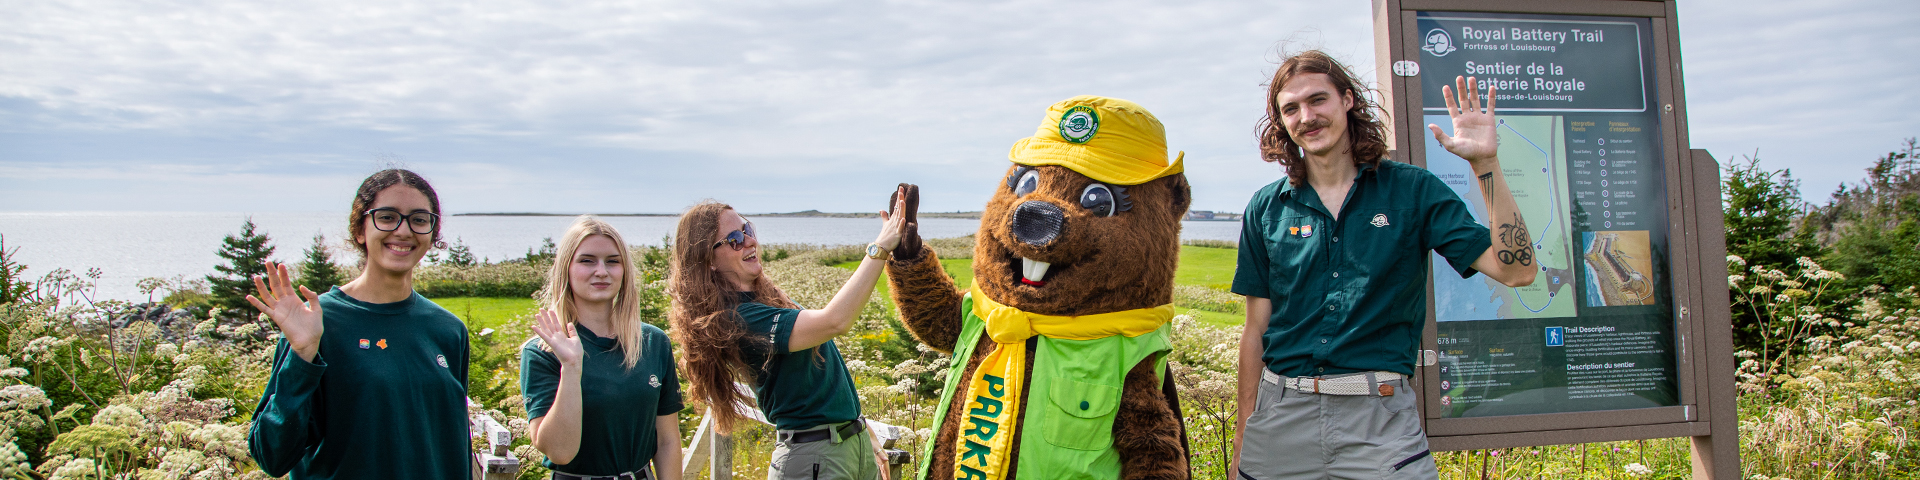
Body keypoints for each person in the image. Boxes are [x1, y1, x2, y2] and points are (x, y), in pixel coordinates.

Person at [1230, 50, 1538, 479]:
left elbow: (1517, 271)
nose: (1307, 116)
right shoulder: (1266, 208)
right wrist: (1246, 429)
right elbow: (1255, 329)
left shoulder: (1413, 191)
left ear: (1348, 100)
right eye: (1291, 108)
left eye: (1318, 100)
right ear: (1281, 122)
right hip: (1281, 419)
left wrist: (1485, 163)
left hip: (1380, 420)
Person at [247, 169, 472, 479]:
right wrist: (302, 355)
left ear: (432, 234)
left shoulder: (449, 330)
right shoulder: (315, 323)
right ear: (359, 229)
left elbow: (452, 444)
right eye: (387, 216)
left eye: (419, 219)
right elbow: (271, 456)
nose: (403, 231)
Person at [668, 191, 906, 480]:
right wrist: (879, 248)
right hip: (815, 458)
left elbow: (813, 384)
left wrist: (858, 428)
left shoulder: (762, 300)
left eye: (747, 230)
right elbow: (834, 322)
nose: (750, 241)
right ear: (709, 261)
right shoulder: (737, 319)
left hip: (844, 447)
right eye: (734, 239)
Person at [521, 216, 687, 480]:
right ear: (566, 268)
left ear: (625, 270)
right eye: (587, 260)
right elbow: (560, 452)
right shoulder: (543, 351)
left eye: (613, 261)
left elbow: (667, 440)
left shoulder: (653, 343)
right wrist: (571, 368)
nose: (602, 271)